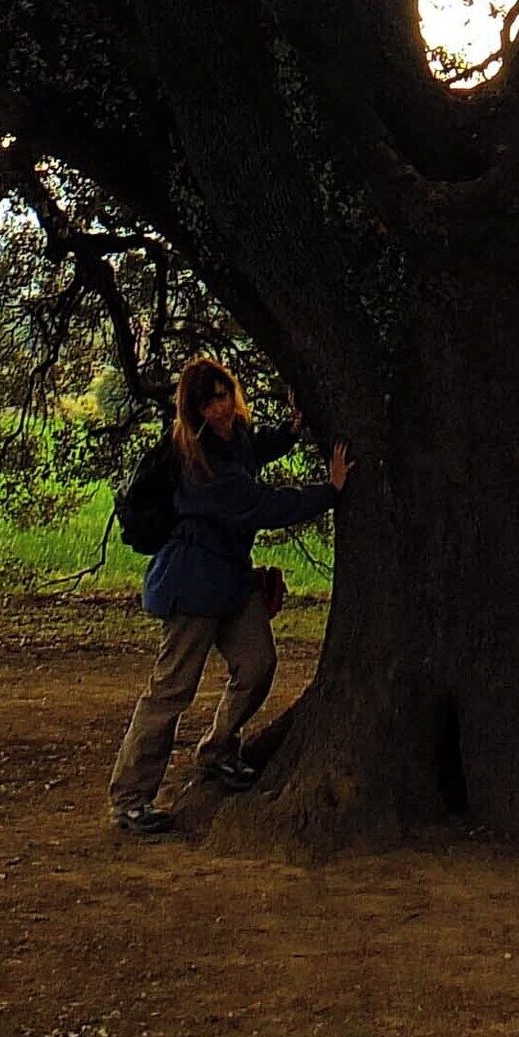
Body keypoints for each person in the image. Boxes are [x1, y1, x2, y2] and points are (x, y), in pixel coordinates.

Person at [107, 355, 348, 836]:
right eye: (208, 400)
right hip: (191, 586)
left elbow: (255, 450)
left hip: (233, 583)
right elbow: (260, 504)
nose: (220, 406)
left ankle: (217, 752)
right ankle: (131, 799)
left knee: (257, 665)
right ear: (193, 408)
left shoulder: (233, 437)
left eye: (223, 394)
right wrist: (331, 490)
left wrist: (293, 430)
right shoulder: (197, 463)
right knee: (171, 692)